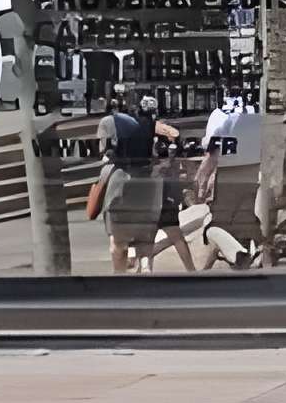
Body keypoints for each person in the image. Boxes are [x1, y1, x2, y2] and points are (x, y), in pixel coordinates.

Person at [96, 90, 187, 272]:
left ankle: (119, 277)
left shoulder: (107, 122)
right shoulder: (149, 124)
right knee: (144, 241)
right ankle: (145, 273)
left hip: (121, 183)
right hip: (147, 185)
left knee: (117, 243)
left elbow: (104, 152)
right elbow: (174, 134)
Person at [198, 89, 273, 270]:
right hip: (251, 179)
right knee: (245, 221)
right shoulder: (259, 126)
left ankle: (245, 254)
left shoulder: (225, 123)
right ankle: (254, 255)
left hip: (228, 180)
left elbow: (211, 159)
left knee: (215, 226)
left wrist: (201, 184)